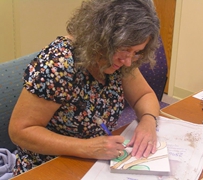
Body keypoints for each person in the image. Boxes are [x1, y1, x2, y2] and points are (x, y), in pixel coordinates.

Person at [9, 0, 160, 175]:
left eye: (137, 52)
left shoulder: (121, 62)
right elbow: (20, 131)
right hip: (49, 165)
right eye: (125, 49)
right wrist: (86, 148)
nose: (128, 61)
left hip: (94, 161)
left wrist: (148, 121)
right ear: (101, 36)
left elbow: (144, 95)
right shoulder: (60, 64)